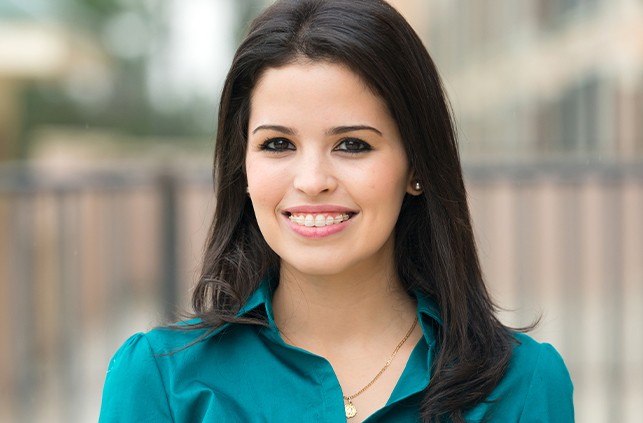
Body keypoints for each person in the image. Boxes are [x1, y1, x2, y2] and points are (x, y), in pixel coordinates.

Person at [99, 0, 574, 421]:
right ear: (241, 167)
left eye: (352, 144)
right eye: (278, 144)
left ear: (417, 166)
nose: (311, 180)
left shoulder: (522, 384)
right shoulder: (158, 381)